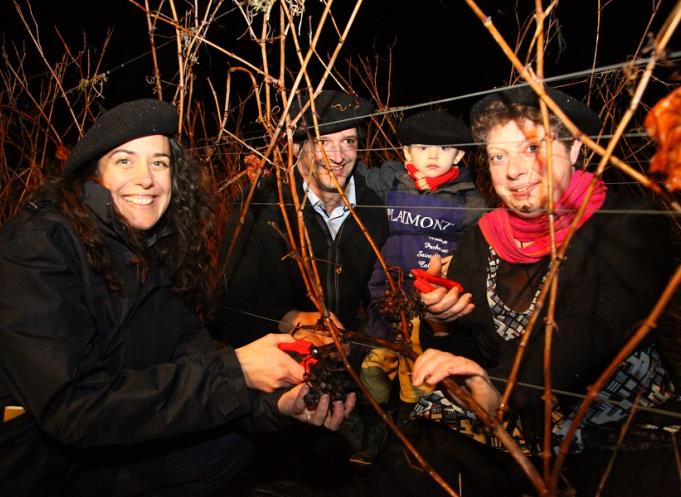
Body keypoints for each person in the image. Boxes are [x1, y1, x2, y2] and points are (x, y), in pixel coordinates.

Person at [0, 99, 355, 497]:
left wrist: (279, 407)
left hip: (108, 442)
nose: (146, 179)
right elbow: (74, 408)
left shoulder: (157, 253)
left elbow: (194, 361)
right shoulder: (38, 247)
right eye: (124, 161)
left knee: (232, 449)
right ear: (93, 175)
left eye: (159, 162)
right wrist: (236, 371)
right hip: (43, 466)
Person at [371, 85, 677, 497]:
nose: (513, 170)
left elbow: (593, 322)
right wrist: (442, 323)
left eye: (533, 148)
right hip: (512, 418)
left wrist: (500, 388)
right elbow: (468, 351)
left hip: (615, 421)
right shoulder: (482, 238)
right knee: (409, 459)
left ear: (574, 152)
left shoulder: (627, 223)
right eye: (498, 155)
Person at [353, 110, 485, 464]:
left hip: (429, 305)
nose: (431, 155)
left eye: (443, 149)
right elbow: (350, 175)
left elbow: (480, 253)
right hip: (384, 295)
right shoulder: (391, 182)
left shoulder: (471, 203)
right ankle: (375, 428)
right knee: (374, 365)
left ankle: (409, 437)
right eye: (422, 147)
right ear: (407, 153)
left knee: (418, 373)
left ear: (459, 156)